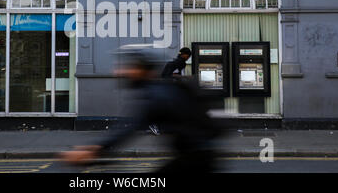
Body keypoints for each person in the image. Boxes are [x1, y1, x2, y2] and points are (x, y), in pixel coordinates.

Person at [59, 44, 222, 173]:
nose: (119, 71)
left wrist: (94, 150)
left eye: (129, 67)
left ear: (143, 70)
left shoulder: (153, 94)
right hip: (199, 154)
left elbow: (129, 127)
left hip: (196, 158)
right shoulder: (159, 90)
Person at [147, 47, 192, 135]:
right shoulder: (179, 62)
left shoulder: (179, 62)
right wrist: (186, 78)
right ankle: (155, 124)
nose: (189, 57)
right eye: (188, 55)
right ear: (184, 55)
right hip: (169, 88)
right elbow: (174, 75)